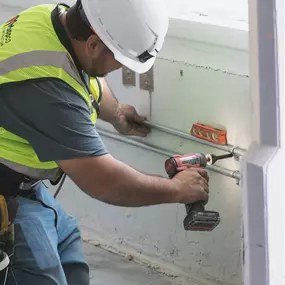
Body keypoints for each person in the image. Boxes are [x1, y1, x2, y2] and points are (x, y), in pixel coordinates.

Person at [0, 0, 209, 284]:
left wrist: (117, 115)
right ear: (94, 45)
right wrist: (176, 190)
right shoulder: (49, 89)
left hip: (21, 185)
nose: (120, 69)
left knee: (69, 246)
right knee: (41, 276)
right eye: (120, 60)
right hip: (5, 191)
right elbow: (104, 182)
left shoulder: (51, 19)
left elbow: (88, 82)